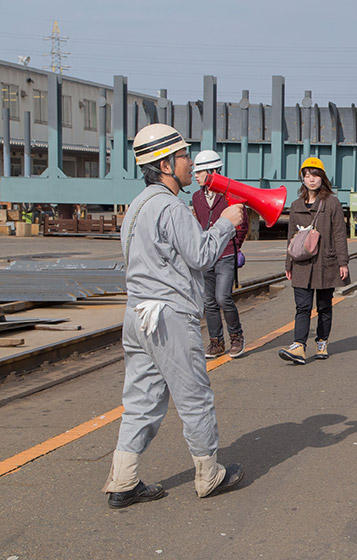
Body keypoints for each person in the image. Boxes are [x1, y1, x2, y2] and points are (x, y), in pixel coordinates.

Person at [102, 124, 245, 508]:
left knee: (142, 399)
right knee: (195, 397)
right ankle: (208, 474)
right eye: (184, 157)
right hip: (168, 316)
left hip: (137, 315)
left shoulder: (136, 208)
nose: (189, 163)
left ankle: (123, 480)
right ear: (165, 164)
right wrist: (227, 222)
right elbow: (200, 255)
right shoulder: (171, 206)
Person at [279, 157, 350, 364]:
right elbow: (291, 237)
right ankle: (299, 346)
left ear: (322, 178)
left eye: (315, 175)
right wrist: (288, 264)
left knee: (324, 305)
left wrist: (342, 262)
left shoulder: (332, 203)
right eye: (307, 175)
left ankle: (322, 341)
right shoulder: (296, 205)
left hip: (325, 263)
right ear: (302, 178)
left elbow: (339, 234)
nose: (311, 179)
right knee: (302, 307)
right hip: (301, 264)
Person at [191, 150, 249, 359]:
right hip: (207, 255)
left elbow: (242, 223)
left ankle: (236, 337)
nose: (195, 175)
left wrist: (234, 246)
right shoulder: (196, 197)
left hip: (226, 253)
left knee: (223, 297)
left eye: (199, 172)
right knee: (209, 302)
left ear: (213, 171)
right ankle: (216, 342)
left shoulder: (230, 194)